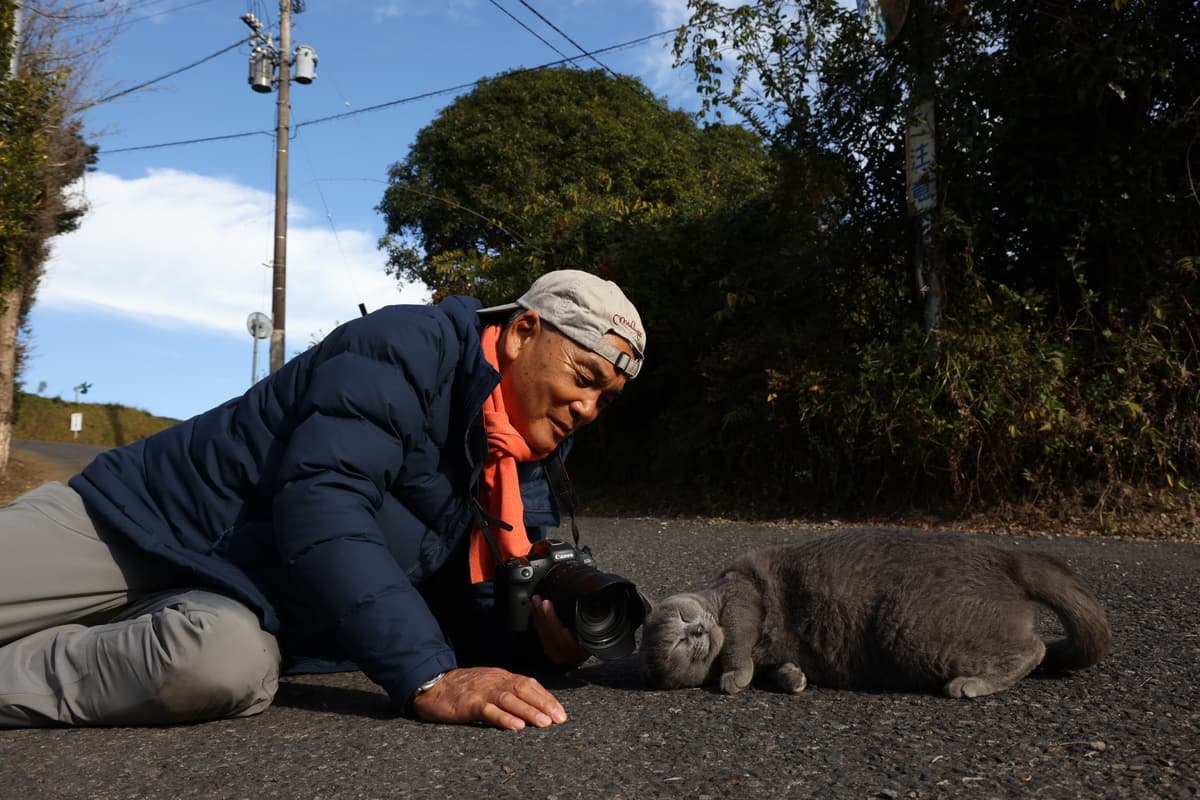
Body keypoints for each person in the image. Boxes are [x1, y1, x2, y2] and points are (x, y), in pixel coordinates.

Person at [0, 269, 645, 731]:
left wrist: (541, 642)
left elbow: (474, 606)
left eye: (606, 399)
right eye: (583, 377)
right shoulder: (407, 347)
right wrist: (427, 675)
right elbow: (324, 507)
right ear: (522, 332)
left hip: (239, 600)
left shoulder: (530, 459)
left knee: (225, 667)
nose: (587, 408)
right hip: (138, 523)